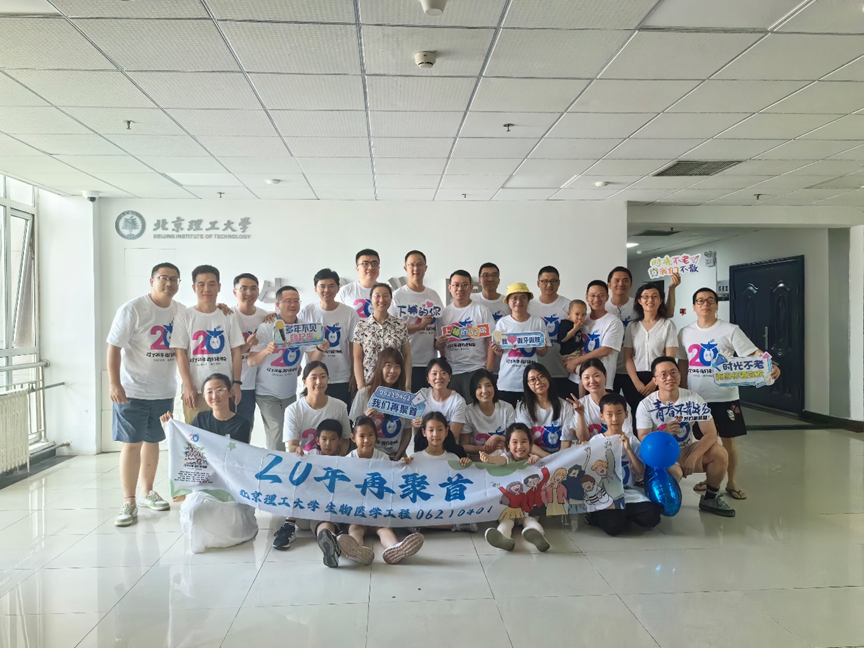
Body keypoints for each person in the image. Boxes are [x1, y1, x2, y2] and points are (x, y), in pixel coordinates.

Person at [678, 287, 781, 501]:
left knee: (728, 441)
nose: (705, 304)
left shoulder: (730, 330)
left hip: (725, 397)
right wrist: (683, 390)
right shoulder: (685, 332)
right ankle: (711, 478)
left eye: (710, 300)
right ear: (694, 307)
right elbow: (683, 363)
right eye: (700, 301)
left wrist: (770, 364)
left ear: (716, 305)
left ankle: (732, 482)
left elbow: (752, 353)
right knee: (705, 441)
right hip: (697, 397)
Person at [106, 261, 181, 527]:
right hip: (133, 391)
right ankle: (129, 500)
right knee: (132, 443)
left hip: (163, 391)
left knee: (153, 441)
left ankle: (147, 491)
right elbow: (113, 347)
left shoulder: (180, 311)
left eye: (174, 279)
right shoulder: (133, 309)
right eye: (163, 278)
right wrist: (115, 383)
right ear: (152, 281)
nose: (169, 283)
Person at [636, 356, 736, 517]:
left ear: (680, 375)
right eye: (663, 375)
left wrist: (693, 456)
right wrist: (663, 434)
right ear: (655, 380)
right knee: (675, 474)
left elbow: (711, 433)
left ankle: (710, 498)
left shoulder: (693, 399)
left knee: (720, 453)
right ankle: (655, 493)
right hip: (662, 456)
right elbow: (643, 437)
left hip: (687, 450)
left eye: (673, 372)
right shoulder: (646, 405)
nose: (669, 377)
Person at [335, 417, 424, 565]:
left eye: (370, 435)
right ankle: (356, 551)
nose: (366, 440)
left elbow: (393, 481)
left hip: (377, 510)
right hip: (357, 512)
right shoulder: (347, 460)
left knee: (385, 529)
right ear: (353, 438)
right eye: (361, 436)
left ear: (376, 436)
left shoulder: (382, 458)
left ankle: (396, 548)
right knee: (355, 529)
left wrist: (403, 466)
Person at [248, 286, 324, 451]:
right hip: (266, 392)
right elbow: (251, 361)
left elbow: (313, 359)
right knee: (276, 430)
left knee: (290, 432)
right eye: (288, 301)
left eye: (296, 301)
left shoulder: (304, 328)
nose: (293, 305)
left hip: (289, 391)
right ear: (278, 304)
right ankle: (275, 464)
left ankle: (288, 462)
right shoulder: (267, 327)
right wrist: (266, 351)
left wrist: (320, 349)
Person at [172, 264, 245, 424]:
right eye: (201, 284)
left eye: (212, 284)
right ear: (194, 288)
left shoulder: (228, 316)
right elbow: (180, 354)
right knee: (195, 436)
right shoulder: (184, 316)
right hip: (196, 391)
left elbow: (236, 352)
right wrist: (188, 386)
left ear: (219, 287)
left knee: (225, 435)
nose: (207, 289)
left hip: (225, 390)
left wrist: (236, 383)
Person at [584, 393, 662, 537]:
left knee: (653, 516)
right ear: (602, 416)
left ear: (626, 414)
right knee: (614, 527)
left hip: (629, 493)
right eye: (609, 414)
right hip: (605, 495)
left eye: (619, 413)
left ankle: (620, 516)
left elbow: (640, 473)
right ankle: (597, 516)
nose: (614, 419)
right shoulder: (596, 441)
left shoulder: (632, 440)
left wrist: (629, 449)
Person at [479, 423, 549, 552]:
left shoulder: (533, 460)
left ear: (530, 444)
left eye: (524, 442)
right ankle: (503, 538)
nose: (520, 446)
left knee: (530, 520)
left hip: (528, 507)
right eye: (515, 442)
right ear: (508, 445)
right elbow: (499, 460)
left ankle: (538, 536)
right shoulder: (507, 458)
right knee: (506, 521)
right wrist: (489, 459)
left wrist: (538, 460)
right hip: (509, 507)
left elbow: (544, 470)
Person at [300, 268, 359, 407]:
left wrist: (354, 374)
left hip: (342, 377)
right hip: (313, 378)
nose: (327, 290)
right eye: (322, 286)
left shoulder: (349, 313)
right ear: (315, 289)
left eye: (331, 286)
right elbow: (294, 337)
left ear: (338, 288)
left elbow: (354, 347)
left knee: (342, 416)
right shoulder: (307, 311)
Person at [435, 270, 493, 402]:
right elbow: (439, 345)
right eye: (456, 285)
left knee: (476, 409)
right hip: (452, 371)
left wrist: (488, 371)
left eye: (464, 285)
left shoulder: (482, 310)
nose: (460, 289)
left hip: (476, 369)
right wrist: (438, 345)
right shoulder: (444, 314)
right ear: (449, 287)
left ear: (471, 287)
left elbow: (491, 342)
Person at [389, 250, 443, 391]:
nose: (415, 268)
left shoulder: (433, 295)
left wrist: (439, 343)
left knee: (427, 402)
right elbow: (391, 329)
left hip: (430, 363)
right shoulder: (397, 296)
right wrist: (418, 326)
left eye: (419, 265)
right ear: (405, 268)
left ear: (425, 268)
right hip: (405, 362)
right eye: (411, 265)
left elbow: (439, 325)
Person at [622, 283, 678, 418]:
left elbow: (669, 358)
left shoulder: (668, 325)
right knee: (637, 417)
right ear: (639, 301)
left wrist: (655, 382)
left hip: (661, 379)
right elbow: (628, 357)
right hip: (636, 379)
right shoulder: (632, 326)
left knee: (660, 417)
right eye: (645, 297)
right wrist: (636, 382)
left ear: (660, 300)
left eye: (654, 296)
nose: (650, 300)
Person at [489, 283, 549, 407]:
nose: (518, 301)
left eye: (522, 298)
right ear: (508, 301)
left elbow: (543, 353)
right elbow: (500, 353)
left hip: (532, 383)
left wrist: (542, 349)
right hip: (507, 382)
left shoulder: (538, 322)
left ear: (528, 300)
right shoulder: (502, 323)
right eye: (514, 298)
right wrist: (496, 349)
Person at [294, 420, 344, 568]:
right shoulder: (311, 455)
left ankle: (329, 541)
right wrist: (298, 454)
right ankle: (330, 541)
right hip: (310, 507)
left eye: (333, 439)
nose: (328, 444)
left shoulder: (344, 460)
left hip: (330, 508)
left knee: (325, 522)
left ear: (340, 441)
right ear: (317, 440)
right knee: (319, 518)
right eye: (324, 439)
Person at [350, 348, 413, 459]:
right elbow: (354, 427)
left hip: (396, 457)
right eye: (388, 365)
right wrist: (365, 418)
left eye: (397, 367)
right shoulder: (364, 394)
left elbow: (407, 431)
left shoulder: (405, 397)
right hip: (370, 458)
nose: (393, 371)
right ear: (380, 367)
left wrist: (398, 456)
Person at [352, 282, 412, 391]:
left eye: (385, 296)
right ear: (370, 299)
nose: (381, 300)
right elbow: (357, 358)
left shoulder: (400, 325)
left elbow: (406, 356)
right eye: (377, 296)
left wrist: (407, 385)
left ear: (391, 299)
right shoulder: (361, 326)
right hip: (369, 384)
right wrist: (360, 385)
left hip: (394, 385)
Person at [160, 373, 251, 443]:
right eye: (209, 392)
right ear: (204, 396)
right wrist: (169, 429)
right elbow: (187, 444)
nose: (214, 396)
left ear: (230, 393)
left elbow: (241, 455)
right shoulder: (200, 419)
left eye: (220, 390)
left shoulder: (242, 424)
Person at [566, 280, 624, 390]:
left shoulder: (613, 322)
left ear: (607, 297)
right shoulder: (582, 319)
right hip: (576, 378)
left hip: (600, 383)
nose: (596, 299)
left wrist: (575, 361)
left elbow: (605, 350)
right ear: (587, 297)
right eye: (592, 296)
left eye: (601, 296)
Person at [284, 362, 352, 454]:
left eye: (323, 377)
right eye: (313, 378)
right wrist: (297, 450)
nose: (319, 382)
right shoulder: (292, 410)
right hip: (305, 460)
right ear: (304, 382)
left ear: (328, 379)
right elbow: (292, 446)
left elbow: (345, 440)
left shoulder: (340, 407)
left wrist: (339, 458)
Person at [528, 266, 573, 397]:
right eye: (545, 281)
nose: (549, 285)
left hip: (562, 370)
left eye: (553, 281)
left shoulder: (568, 306)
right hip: (536, 372)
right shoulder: (529, 306)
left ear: (559, 283)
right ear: (538, 283)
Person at [515, 363, 578, 453]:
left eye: (541, 376)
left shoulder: (565, 406)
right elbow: (526, 442)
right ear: (527, 384)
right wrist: (548, 458)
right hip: (534, 456)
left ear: (548, 378)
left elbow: (566, 441)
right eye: (532, 380)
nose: (538, 382)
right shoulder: (523, 408)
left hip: (561, 456)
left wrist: (558, 459)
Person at [232, 273, 269, 426]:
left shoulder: (265, 316)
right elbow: (223, 353)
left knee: (245, 428)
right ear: (235, 292)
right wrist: (246, 345)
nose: (249, 292)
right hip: (228, 382)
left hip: (251, 384)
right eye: (244, 288)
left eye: (253, 288)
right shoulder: (227, 315)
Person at [411, 358, 467, 457]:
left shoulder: (458, 401)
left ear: (449, 377)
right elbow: (415, 431)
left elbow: (453, 436)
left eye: (443, 373)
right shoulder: (421, 395)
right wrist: (416, 424)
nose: (439, 377)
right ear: (428, 378)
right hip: (423, 446)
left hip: (448, 450)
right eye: (434, 374)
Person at [461, 369, 516, 455]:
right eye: (479, 387)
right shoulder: (468, 412)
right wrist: (484, 449)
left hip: (505, 457)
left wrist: (497, 437)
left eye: (488, 385)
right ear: (473, 390)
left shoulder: (507, 408)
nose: (484, 391)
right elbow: (464, 445)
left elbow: (515, 439)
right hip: (479, 458)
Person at [576, 359, 633, 440]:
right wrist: (580, 414)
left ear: (605, 376)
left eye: (596, 376)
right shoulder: (580, 405)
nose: (592, 381)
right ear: (581, 380)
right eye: (586, 377)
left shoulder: (619, 403)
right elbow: (583, 439)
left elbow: (627, 435)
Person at [337, 248, 380, 320]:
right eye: (365, 264)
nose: (370, 267)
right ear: (357, 269)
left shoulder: (389, 292)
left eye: (374, 263)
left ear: (379, 267)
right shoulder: (345, 291)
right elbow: (337, 318)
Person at [558, 299, 587, 387]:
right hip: (569, 355)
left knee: (584, 373)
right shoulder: (565, 324)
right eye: (577, 314)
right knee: (583, 372)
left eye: (583, 315)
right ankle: (582, 394)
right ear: (569, 314)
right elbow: (562, 339)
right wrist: (575, 329)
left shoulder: (580, 325)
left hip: (578, 353)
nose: (580, 317)